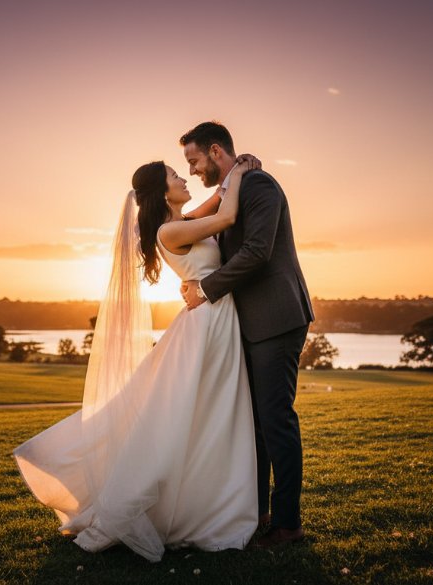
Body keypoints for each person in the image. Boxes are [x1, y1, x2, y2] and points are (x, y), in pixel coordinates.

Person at [13, 154, 262, 562]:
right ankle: (199, 507)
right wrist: (239, 171)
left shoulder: (182, 220)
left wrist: (230, 172)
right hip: (207, 325)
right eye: (175, 175)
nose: (184, 177)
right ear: (162, 191)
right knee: (195, 413)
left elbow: (216, 201)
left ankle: (211, 499)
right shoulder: (169, 231)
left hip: (213, 320)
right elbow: (229, 213)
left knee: (208, 414)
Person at [179, 121, 315, 547]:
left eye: (194, 160)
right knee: (253, 425)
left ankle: (288, 524)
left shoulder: (260, 186)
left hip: (276, 318)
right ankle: (255, 514)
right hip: (250, 323)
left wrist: (205, 288)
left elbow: (258, 252)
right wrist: (229, 178)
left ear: (215, 150)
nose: (193, 170)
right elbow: (187, 220)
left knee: (275, 421)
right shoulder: (234, 189)